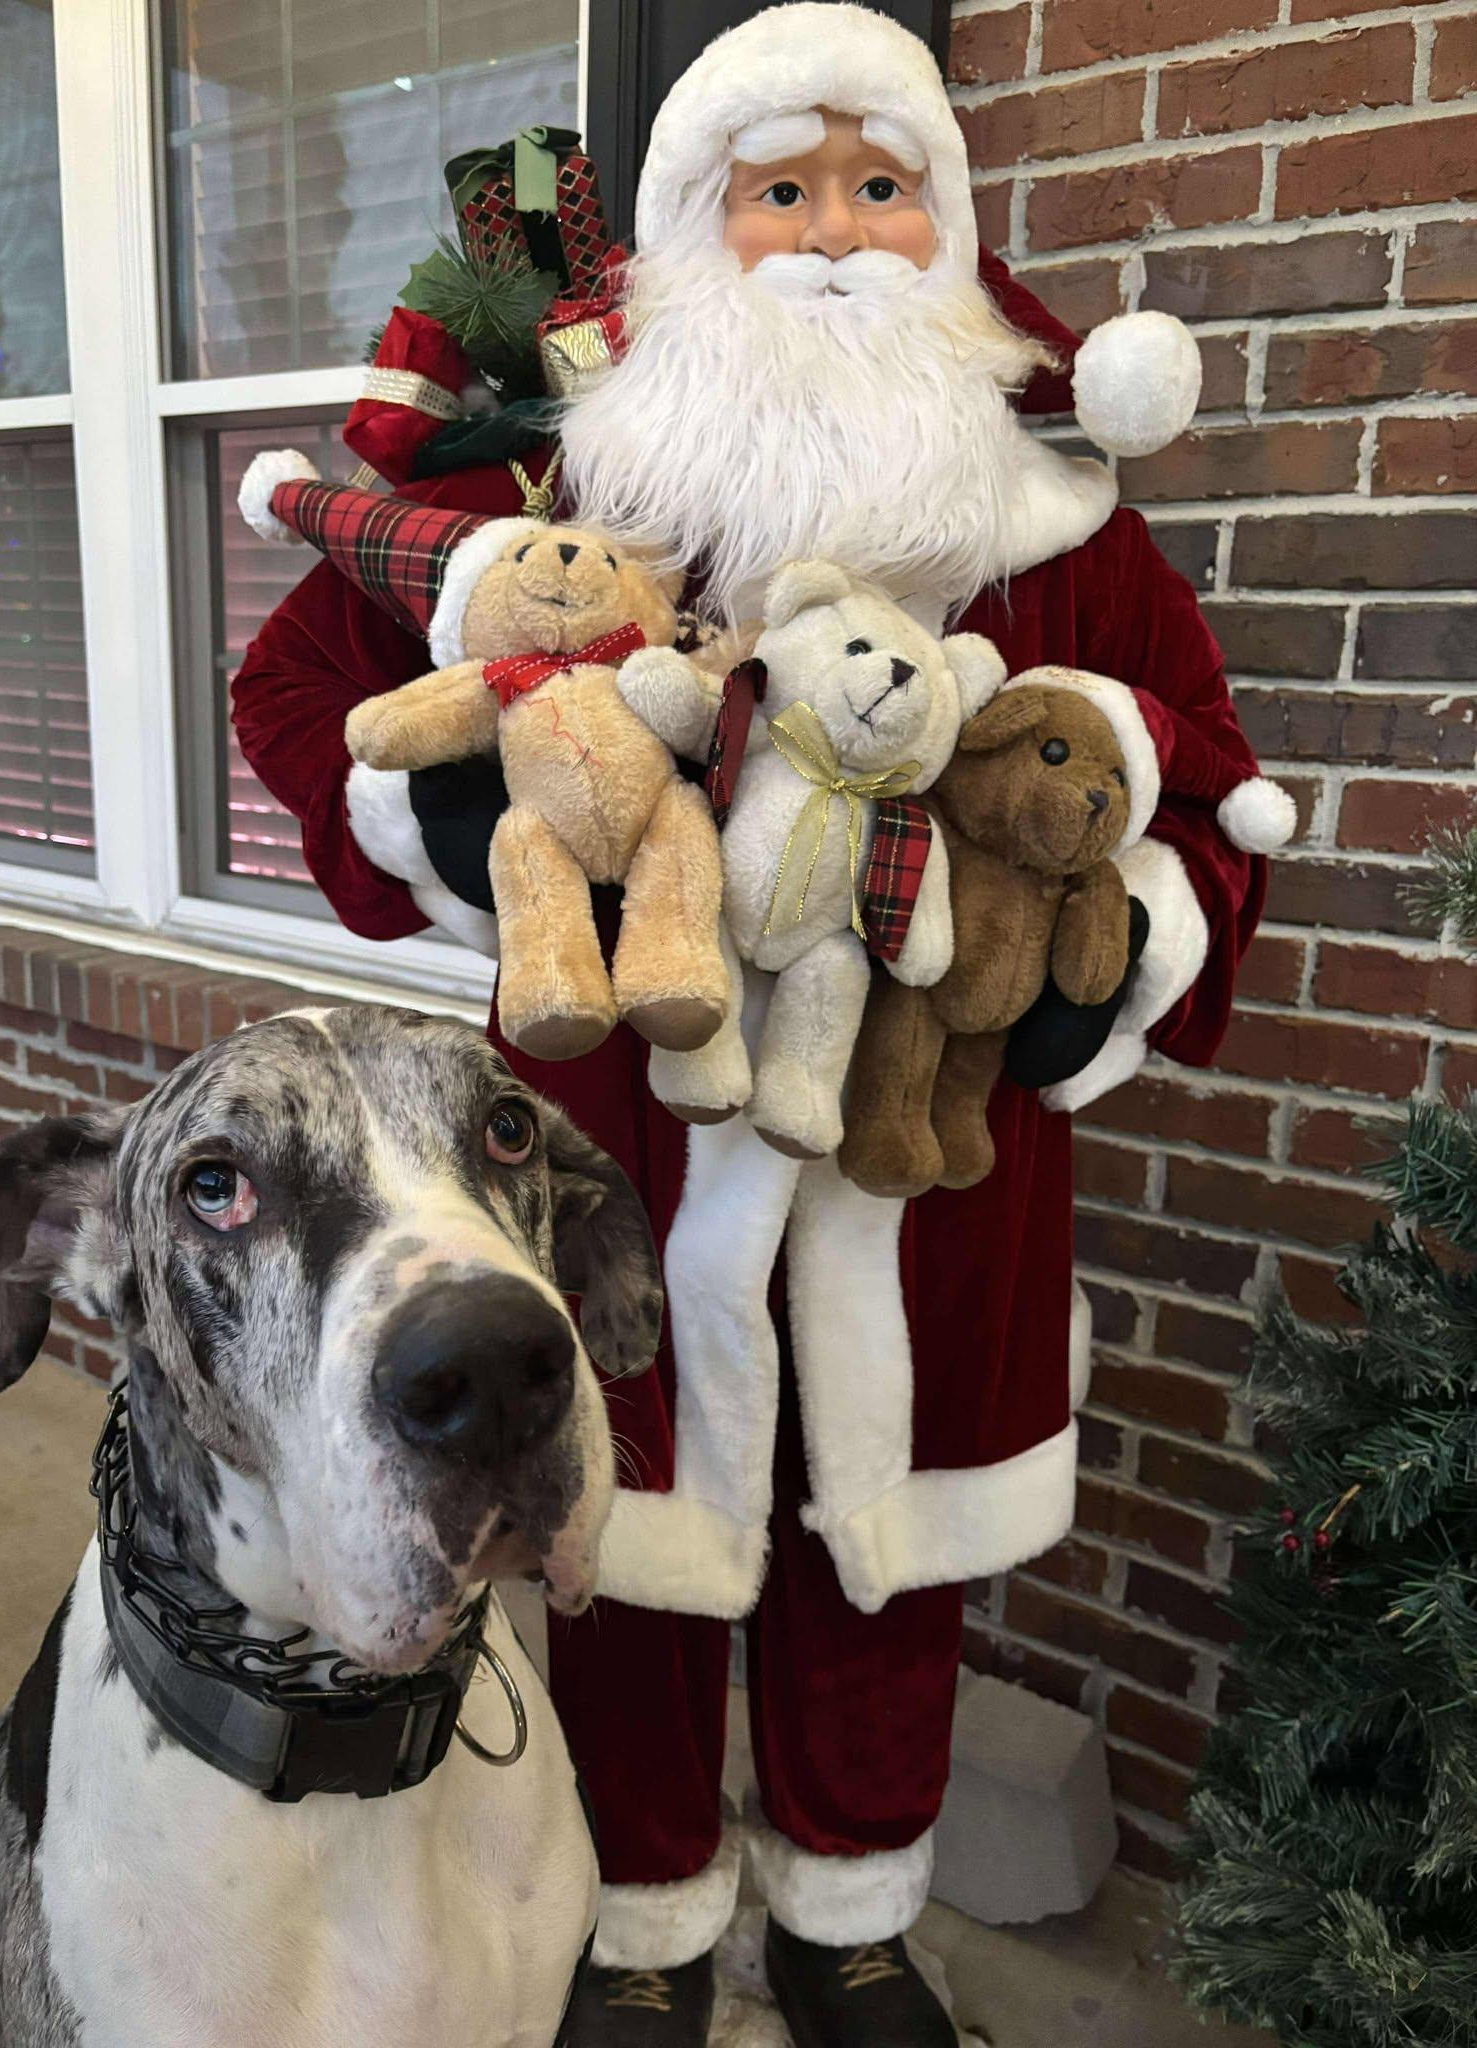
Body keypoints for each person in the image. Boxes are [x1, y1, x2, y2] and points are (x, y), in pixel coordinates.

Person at [232, 10, 1266, 2042]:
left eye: (880, 189)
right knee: (605, 1530)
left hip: (931, 1147)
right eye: (779, 191)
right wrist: (453, 806)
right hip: (620, 1117)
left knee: (880, 1552)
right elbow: (298, 688)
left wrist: (1109, 960)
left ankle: (848, 1918)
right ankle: (637, 1929)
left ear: (946, 220)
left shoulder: (1056, 502)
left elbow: (1212, 776)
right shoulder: (566, 474)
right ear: (700, 225)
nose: (831, 236)